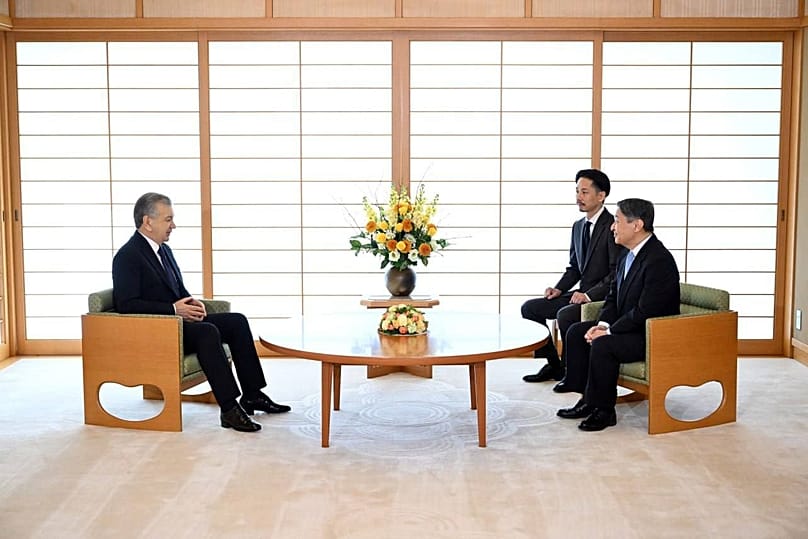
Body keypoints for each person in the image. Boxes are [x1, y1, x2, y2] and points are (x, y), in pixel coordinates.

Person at [112, 192, 291, 433]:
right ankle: (229, 408)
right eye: (168, 219)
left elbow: (175, 288)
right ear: (148, 221)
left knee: (236, 322)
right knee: (207, 332)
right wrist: (174, 309)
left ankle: (252, 394)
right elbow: (126, 304)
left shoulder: (164, 250)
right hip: (159, 330)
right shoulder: (127, 256)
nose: (173, 225)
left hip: (179, 322)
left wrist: (191, 302)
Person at [556, 198, 680, 431]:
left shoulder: (658, 260)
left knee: (604, 345)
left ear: (637, 225)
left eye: (617, 220)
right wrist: (603, 323)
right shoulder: (626, 253)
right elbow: (613, 297)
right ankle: (588, 399)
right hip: (628, 327)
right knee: (576, 331)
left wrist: (609, 331)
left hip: (650, 334)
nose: (613, 226)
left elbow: (646, 311)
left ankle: (604, 411)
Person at [521, 168, 623, 388]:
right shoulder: (578, 226)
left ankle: (571, 372)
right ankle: (554, 365)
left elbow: (616, 273)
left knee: (565, 315)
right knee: (530, 308)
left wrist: (588, 295)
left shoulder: (613, 227)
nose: (579, 197)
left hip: (601, 297)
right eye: (577, 191)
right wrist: (558, 289)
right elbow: (575, 268)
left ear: (601, 195)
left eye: (585, 192)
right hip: (578, 294)